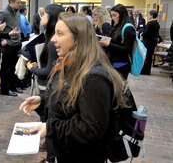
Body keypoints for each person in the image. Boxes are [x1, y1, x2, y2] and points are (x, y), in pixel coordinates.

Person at [20, 13, 125, 162]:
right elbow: (70, 101)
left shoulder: (93, 76)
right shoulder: (70, 64)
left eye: (60, 34)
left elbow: (91, 129)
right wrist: (43, 102)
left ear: (78, 38)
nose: (53, 39)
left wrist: (51, 128)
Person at [26, 4, 65, 163]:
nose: (42, 17)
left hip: (48, 86)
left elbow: (49, 70)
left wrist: (31, 68)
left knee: (49, 122)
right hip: (48, 87)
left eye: (45, 15)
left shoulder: (51, 42)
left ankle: (50, 157)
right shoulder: (48, 37)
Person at [99, 4, 136, 79]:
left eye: (114, 15)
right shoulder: (117, 26)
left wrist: (108, 45)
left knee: (118, 87)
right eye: (111, 16)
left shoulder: (128, 28)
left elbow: (127, 49)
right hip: (113, 61)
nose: (113, 18)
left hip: (121, 63)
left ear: (122, 14)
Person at [0, 0, 22, 97]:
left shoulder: (17, 13)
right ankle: (5, 89)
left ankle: (12, 87)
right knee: (6, 69)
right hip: (9, 45)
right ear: (12, 2)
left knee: (13, 68)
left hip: (17, 44)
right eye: (18, 2)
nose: (20, 4)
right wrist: (2, 40)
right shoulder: (3, 13)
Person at [141, 10, 160, 75]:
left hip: (148, 42)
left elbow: (146, 33)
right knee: (149, 57)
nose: (147, 16)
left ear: (152, 15)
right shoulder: (156, 23)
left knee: (146, 56)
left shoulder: (150, 23)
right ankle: (147, 71)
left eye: (148, 15)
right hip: (152, 42)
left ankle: (145, 71)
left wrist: (142, 34)